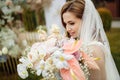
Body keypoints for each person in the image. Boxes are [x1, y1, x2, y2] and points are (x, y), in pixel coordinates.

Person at [60, 0, 120, 80]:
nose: (67, 29)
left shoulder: (93, 50)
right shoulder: (79, 45)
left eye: (72, 23)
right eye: (65, 24)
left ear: (86, 20)